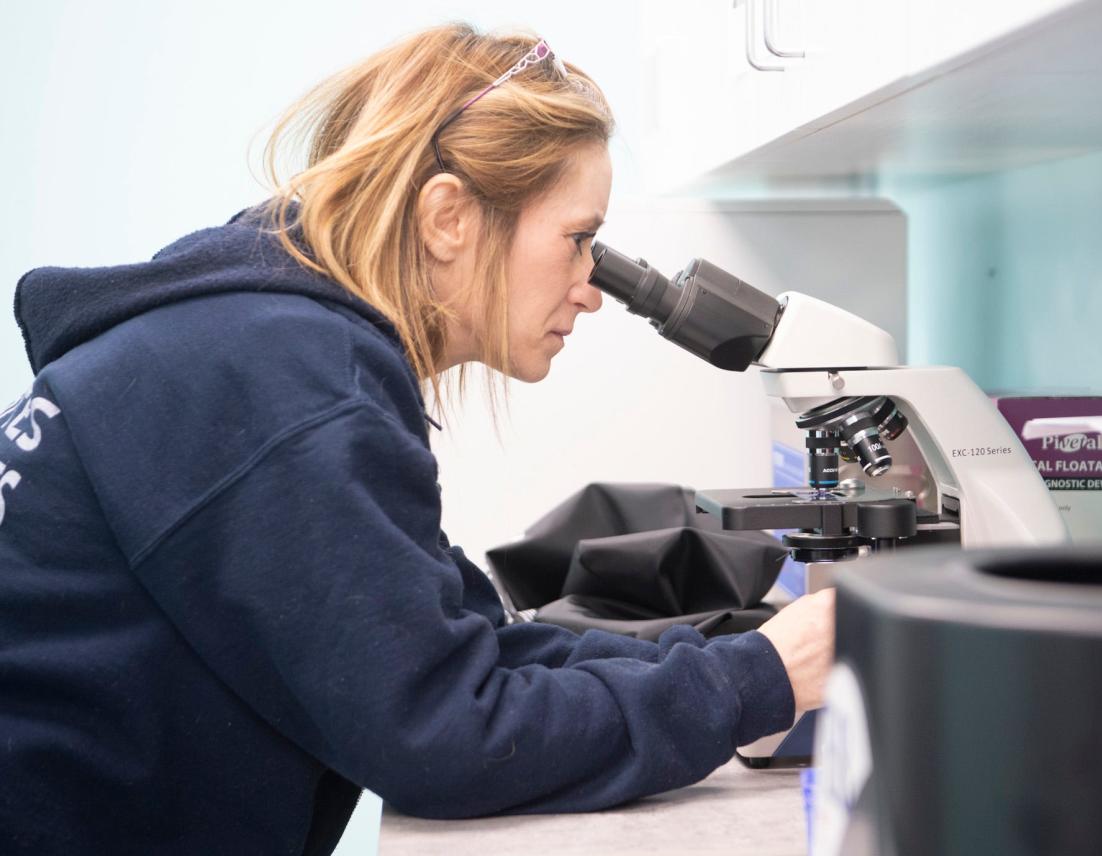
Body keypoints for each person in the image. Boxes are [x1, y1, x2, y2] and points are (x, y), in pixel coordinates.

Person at [0, 24, 834, 855]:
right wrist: (757, 682)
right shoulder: (291, 381)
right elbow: (446, 734)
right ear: (447, 219)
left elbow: (467, 652)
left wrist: (735, 660)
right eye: (580, 241)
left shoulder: (263, 343)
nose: (592, 289)